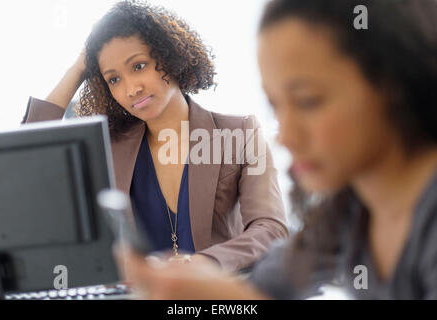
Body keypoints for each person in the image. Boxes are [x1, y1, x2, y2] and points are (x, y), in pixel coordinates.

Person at [114, 0, 437, 299]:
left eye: (308, 101)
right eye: (275, 106)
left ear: (395, 83)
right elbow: (266, 288)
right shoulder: (351, 210)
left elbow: (267, 238)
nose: (286, 137)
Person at [21, 1, 288, 272]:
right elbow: (27, 158)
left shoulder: (239, 134)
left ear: (169, 56)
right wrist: (77, 69)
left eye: (138, 66)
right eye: (113, 79)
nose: (131, 89)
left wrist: (204, 263)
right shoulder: (107, 145)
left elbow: (271, 229)